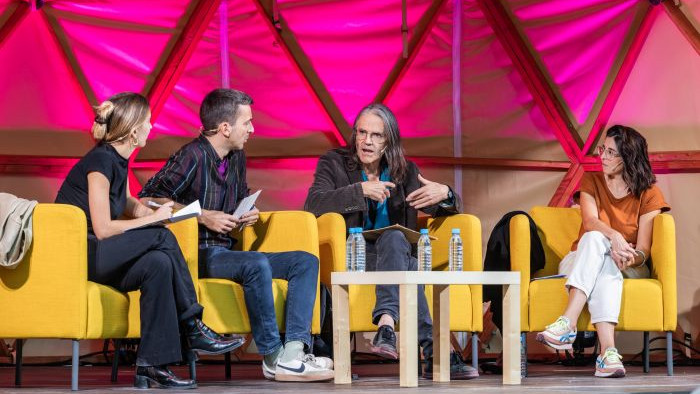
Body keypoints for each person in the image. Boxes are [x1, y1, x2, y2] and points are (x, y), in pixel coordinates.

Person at [138, 88, 333, 382]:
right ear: (225, 127)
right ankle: (271, 356)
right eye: (247, 122)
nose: (252, 129)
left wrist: (247, 214)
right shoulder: (192, 155)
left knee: (305, 261)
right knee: (255, 264)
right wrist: (201, 215)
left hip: (227, 253)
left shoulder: (237, 157)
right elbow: (147, 199)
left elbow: (239, 196)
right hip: (197, 255)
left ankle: (293, 353)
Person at [55, 92, 244, 390]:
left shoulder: (117, 161)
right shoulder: (100, 162)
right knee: (160, 236)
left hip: (103, 253)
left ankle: (152, 366)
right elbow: (103, 228)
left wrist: (152, 210)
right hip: (85, 254)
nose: (151, 127)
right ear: (133, 132)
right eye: (147, 122)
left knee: (157, 265)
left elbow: (127, 201)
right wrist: (154, 221)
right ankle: (193, 325)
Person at [304, 103, 478, 380]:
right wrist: (359, 191)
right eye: (361, 133)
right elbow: (313, 204)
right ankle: (434, 351)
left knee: (395, 239)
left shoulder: (405, 172)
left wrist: (446, 193)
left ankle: (386, 325)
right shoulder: (335, 162)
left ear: (389, 141)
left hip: (394, 257)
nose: (367, 141)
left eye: (376, 135)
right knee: (408, 261)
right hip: (356, 259)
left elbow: (442, 208)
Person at [536, 125, 670, 378]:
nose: (603, 157)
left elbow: (643, 250)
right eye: (602, 150)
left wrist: (630, 256)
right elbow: (590, 223)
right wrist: (616, 236)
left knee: (608, 260)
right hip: (579, 259)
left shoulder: (650, 193)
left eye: (611, 152)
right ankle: (608, 352)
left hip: (626, 264)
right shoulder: (592, 180)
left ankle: (567, 324)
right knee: (596, 239)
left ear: (629, 157)